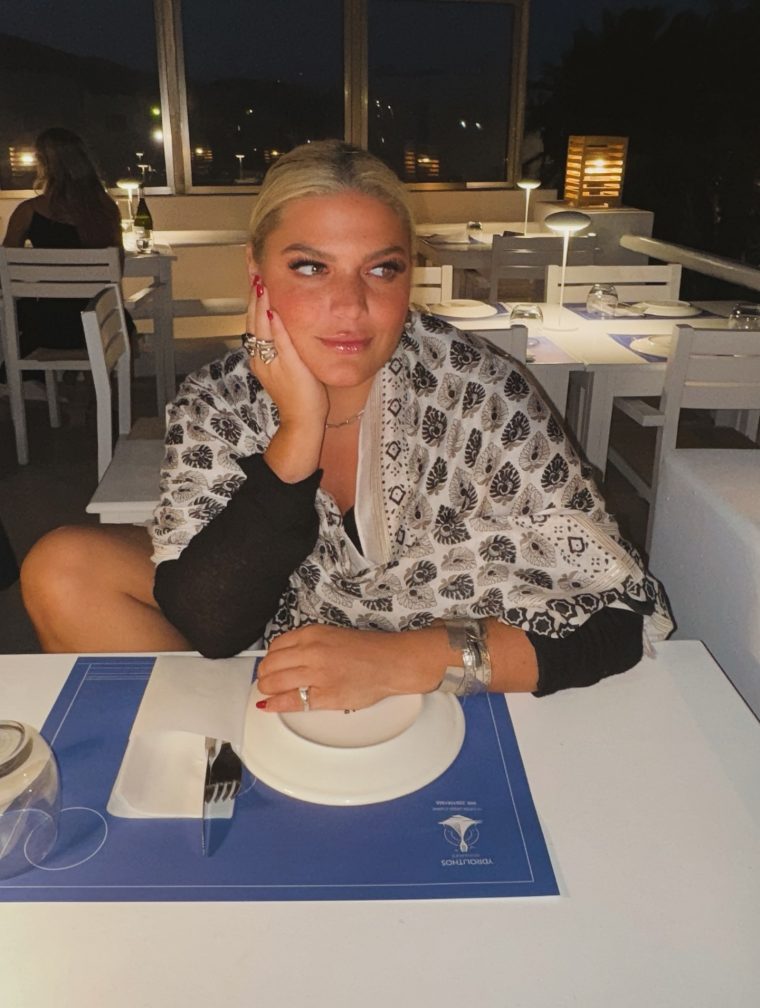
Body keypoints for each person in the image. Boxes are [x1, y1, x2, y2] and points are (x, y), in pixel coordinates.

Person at [21, 140, 673, 712]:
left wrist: (400, 660)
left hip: (440, 652)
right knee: (61, 567)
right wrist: (298, 430)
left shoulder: (478, 391)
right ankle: (233, 750)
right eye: (311, 266)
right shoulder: (217, 400)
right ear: (257, 274)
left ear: (409, 274)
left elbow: (617, 621)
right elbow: (213, 624)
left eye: (381, 269)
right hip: (274, 632)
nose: (350, 306)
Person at [1, 127, 123, 391]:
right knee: (112, 310)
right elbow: (117, 270)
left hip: (48, 327)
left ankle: (35, 384)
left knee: (13, 310)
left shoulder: (28, 211)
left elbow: (7, 270)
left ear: (45, 165)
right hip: (99, 324)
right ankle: (91, 394)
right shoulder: (106, 210)